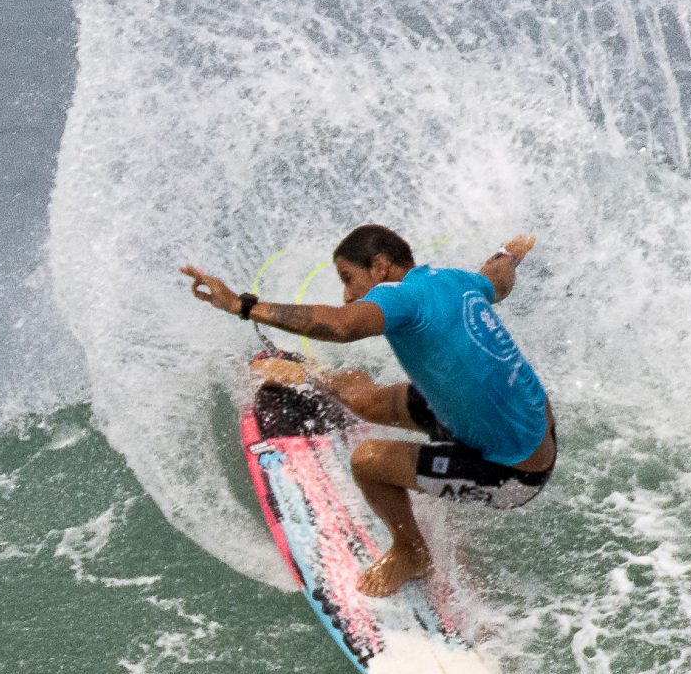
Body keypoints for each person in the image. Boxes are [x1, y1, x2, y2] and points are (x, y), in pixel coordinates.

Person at [182, 224, 556, 596]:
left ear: (380, 265)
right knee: (367, 402)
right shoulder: (454, 280)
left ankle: (412, 553)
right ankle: (312, 376)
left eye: (348, 278)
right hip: (506, 418)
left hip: (515, 470)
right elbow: (497, 280)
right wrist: (510, 254)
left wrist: (240, 305)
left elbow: (342, 326)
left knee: (369, 462)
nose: (347, 295)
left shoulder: (400, 297)